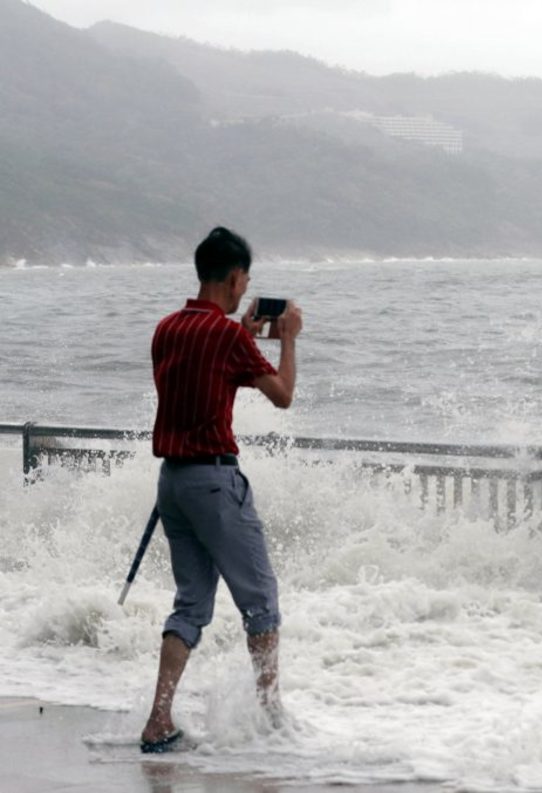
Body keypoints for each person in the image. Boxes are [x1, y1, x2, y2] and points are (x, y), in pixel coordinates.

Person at [140, 227, 303, 753]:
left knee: (189, 606)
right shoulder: (229, 337)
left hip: (173, 483)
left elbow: (201, 376)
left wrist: (244, 335)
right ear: (235, 278)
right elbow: (282, 396)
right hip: (214, 479)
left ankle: (159, 718)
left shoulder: (167, 328)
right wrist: (289, 340)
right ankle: (270, 716)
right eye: (245, 279)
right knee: (261, 603)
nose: (244, 287)